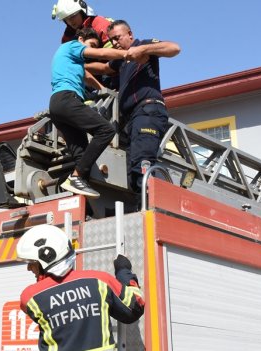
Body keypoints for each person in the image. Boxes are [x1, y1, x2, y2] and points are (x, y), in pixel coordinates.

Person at [86, 20, 181, 194]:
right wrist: (79, 66)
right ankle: (142, 206)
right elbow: (104, 68)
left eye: (117, 38)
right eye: (111, 40)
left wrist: (143, 49)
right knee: (133, 173)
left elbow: (174, 48)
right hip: (134, 119)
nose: (114, 43)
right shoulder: (122, 59)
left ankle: (149, 208)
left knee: (142, 165)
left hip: (148, 111)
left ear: (130, 34)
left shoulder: (142, 45)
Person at [16, 224, 145, 351]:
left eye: (32, 263)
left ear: (47, 258)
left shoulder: (31, 297)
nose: (29, 268)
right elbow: (135, 308)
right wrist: (124, 271)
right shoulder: (100, 281)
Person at [50, 27, 139, 198]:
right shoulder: (72, 46)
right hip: (67, 99)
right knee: (106, 130)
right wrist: (126, 54)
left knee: (82, 155)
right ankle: (75, 177)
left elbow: (88, 77)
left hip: (57, 106)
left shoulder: (72, 62)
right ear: (82, 39)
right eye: (90, 44)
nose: (89, 51)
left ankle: (77, 192)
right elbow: (101, 54)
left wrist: (105, 90)